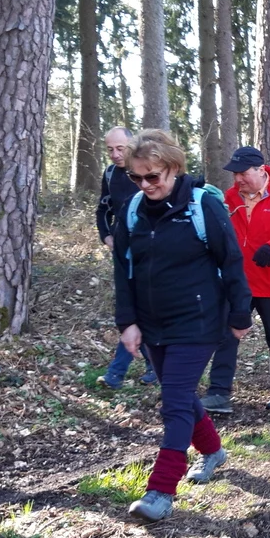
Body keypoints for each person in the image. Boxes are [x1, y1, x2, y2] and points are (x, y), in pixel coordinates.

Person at [112, 129, 253, 523]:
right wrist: (128, 321)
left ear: (173, 169)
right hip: (151, 322)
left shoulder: (202, 205)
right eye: (136, 177)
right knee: (181, 395)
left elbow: (232, 259)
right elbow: (123, 270)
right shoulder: (133, 210)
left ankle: (160, 490)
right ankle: (213, 451)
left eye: (152, 176)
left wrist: (240, 313)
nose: (145, 184)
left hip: (198, 319)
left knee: (173, 401)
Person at [202, 145, 270, 414]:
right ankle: (218, 392)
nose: (237, 179)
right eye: (234, 174)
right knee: (228, 333)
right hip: (237, 281)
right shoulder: (229, 198)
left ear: (260, 171)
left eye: (242, 173)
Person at [96, 127, 157, 389]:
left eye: (120, 148)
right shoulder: (110, 174)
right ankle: (147, 366)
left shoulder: (148, 169)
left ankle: (119, 372)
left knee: (142, 307)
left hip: (150, 251)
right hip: (122, 251)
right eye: (110, 149)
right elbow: (103, 208)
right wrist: (106, 236)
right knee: (129, 306)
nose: (115, 154)